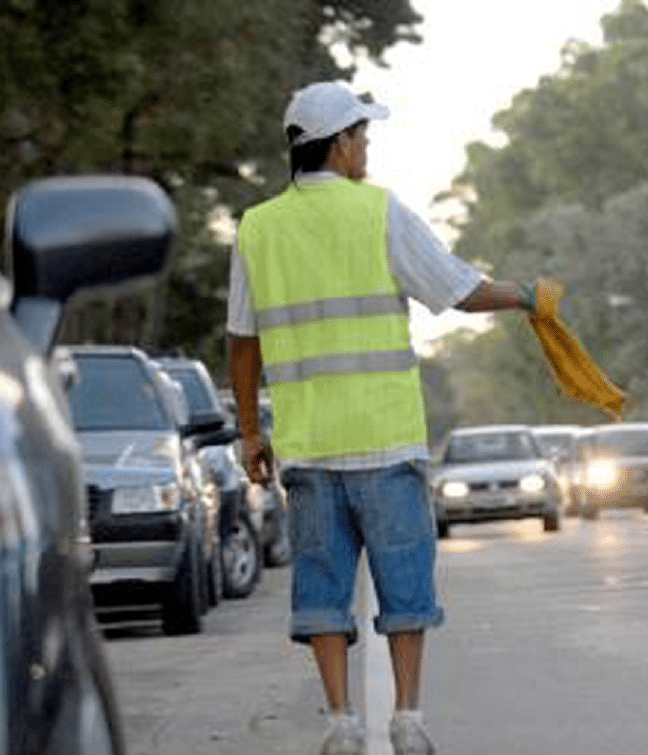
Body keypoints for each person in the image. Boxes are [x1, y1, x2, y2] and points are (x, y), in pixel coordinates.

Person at [227, 80, 539, 755]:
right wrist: (528, 296)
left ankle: (340, 722)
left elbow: (242, 343)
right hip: (385, 440)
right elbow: (457, 289)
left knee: (321, 589)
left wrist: (251, 433)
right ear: (340, 143)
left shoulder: (256, 228)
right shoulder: (379, 212)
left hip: (308, 447)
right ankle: (406, 718)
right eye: (362, 135)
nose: (367, 147)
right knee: (406, 586)